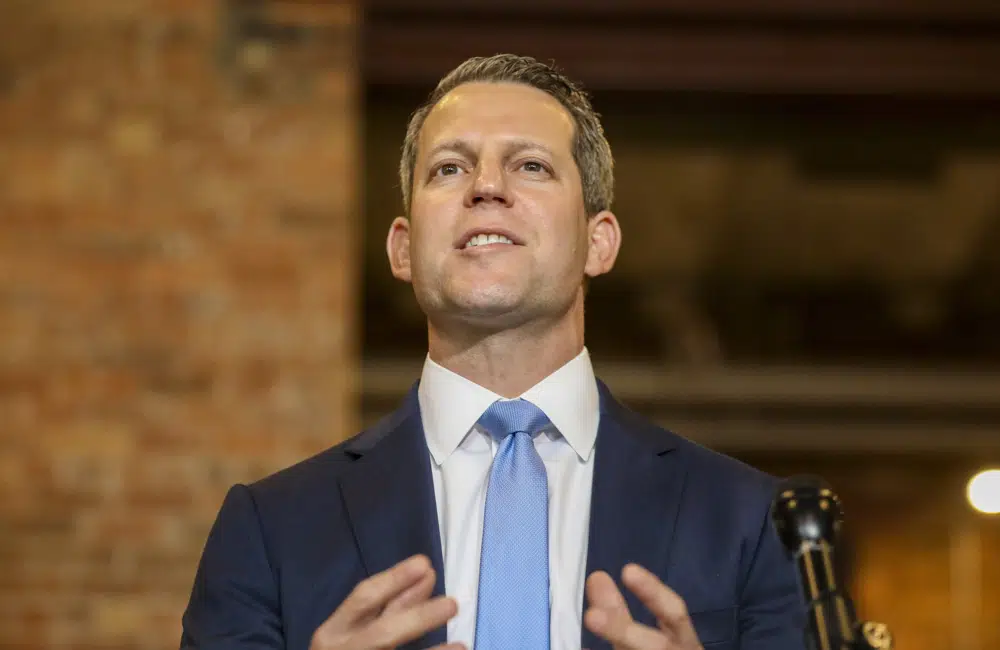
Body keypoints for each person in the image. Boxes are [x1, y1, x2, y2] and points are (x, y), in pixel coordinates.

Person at [179, 54, 805, 650]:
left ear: (599, 242)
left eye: (530, 165)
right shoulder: (269, 530)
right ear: (402, 249)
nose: (485, 186)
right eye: (448, 168)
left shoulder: (755, 524)